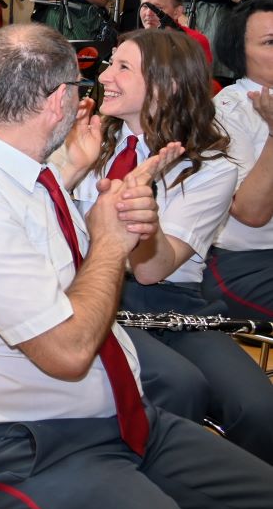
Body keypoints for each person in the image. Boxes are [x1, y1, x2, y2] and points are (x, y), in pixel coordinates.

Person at [0, 23, 273, 509]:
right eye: (81, 86)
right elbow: (69, 352)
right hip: (29, 443)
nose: (95, 91)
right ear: (58, 101)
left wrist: (76, 173)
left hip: (117, 419)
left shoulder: (25, 174)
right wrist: (109, 242)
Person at [74, 29, 273, 463]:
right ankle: (154, 486)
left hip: (172, 303)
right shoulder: (86, 140)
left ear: (167, 85)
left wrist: (143, 219)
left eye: (123, 67)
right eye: (111, 63)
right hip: (92, 294)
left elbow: (152, 271)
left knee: (260, 410)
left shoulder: (211, 167)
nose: (104, 76)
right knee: (181, 387)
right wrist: (72, 169)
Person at [204, 0, 273, 321]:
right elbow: (250, 213)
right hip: (242, 261)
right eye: (270, 42)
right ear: (239, 53)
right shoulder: (225, 111)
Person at [138, 0, 213, 67]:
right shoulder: (134, 41)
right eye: (145, 6)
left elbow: (201, 74)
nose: (148, 13)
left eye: (157, 8)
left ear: (177, 12)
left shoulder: (194, 41)